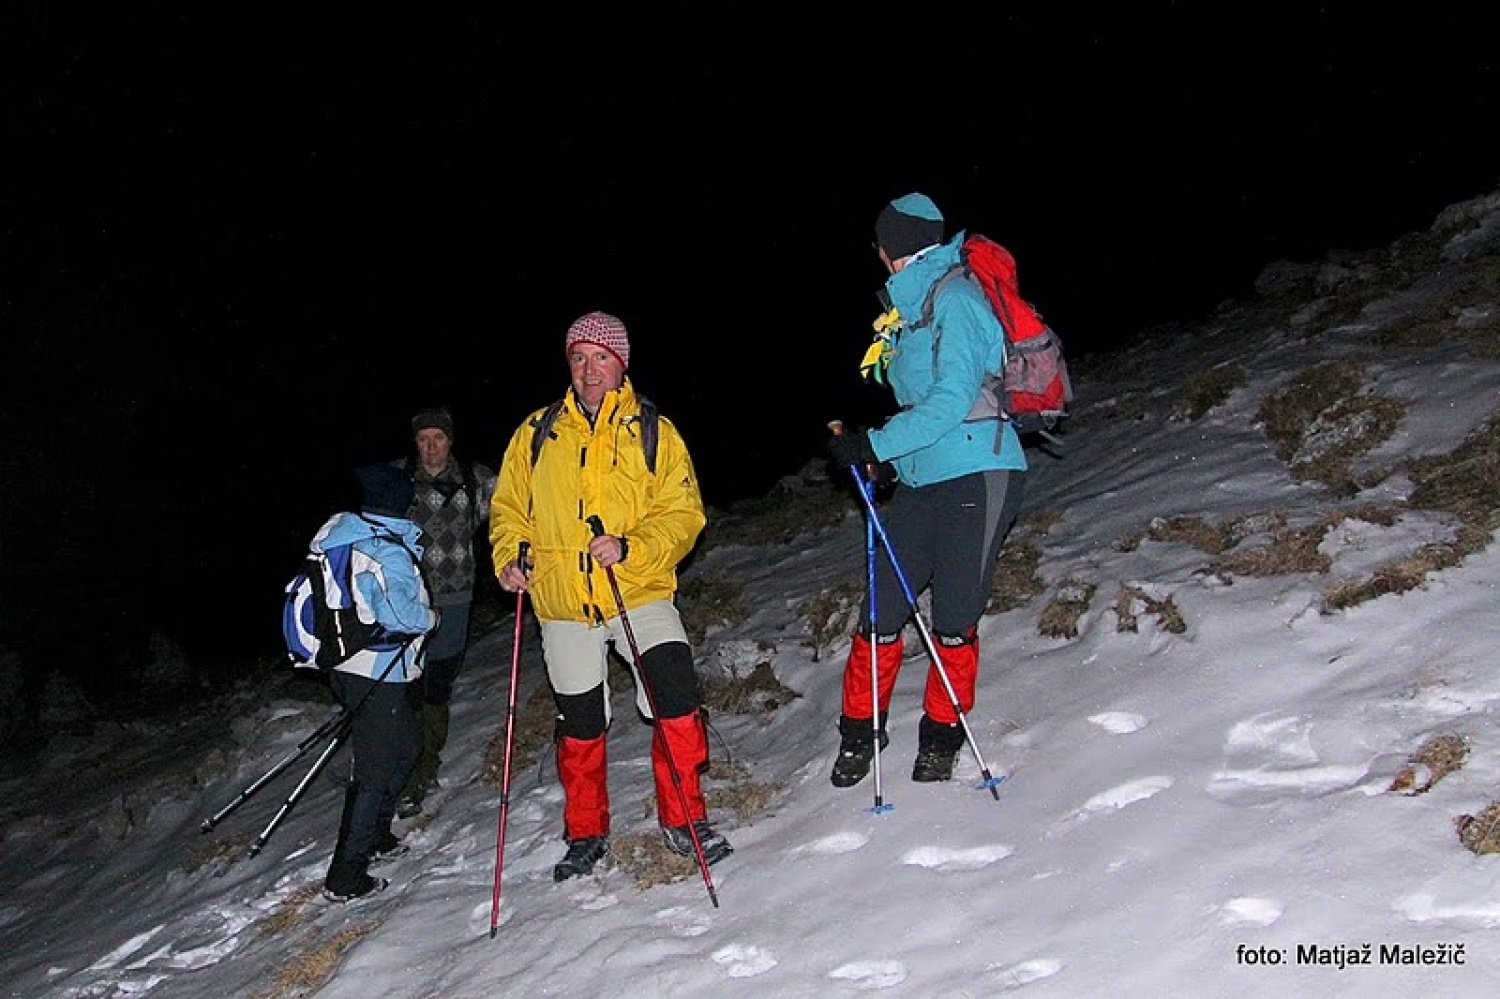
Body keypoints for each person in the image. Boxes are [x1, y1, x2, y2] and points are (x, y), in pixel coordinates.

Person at [490, 310, 732, 882]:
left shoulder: (654, 431)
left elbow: (683, 514)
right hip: (564, 603)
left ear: (620, 364)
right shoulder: (536, 432)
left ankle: (685, 819)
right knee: (580, 721)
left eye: (600, 357)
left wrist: (632, 546)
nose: (588, 369)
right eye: (578, 358)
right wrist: (510, 555)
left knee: (674, 689)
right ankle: (586, 834)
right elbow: (508, 511)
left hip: (637, 591)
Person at [825, 192, 1027, 788]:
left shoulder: (959, 299)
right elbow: (920, 405)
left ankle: (940, 738)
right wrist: (892, 462)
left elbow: (952, 402)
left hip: (979, 475)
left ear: (890, 249)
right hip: (921, 479)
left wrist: (874, 445)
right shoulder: (909, 314)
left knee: (954, 620)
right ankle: (861, 733)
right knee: (881, 611)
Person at [317, 463, 438, 901]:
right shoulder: (385, 549)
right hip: (376, 671)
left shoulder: (347, 534)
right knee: (375, 768)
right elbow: (401, 616)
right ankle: (345, 875)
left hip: (350, 667)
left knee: (406, 747)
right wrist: (432, 617)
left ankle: (376, 837)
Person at [393, 406, 497, 819]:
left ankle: (426, 767)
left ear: (450, 441)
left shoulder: (476, 479)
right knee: (406, 688)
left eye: (438, 438)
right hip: (404, 604)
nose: (431, 447)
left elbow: (513, 510)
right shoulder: (397, 478)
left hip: (455, 601)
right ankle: (406, 773)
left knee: (437, 685)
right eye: (423, 439)